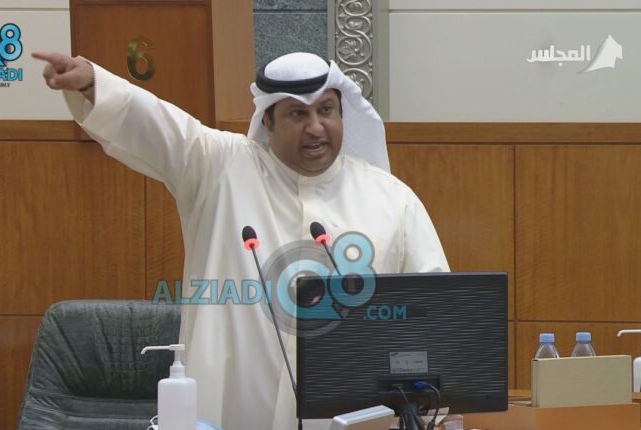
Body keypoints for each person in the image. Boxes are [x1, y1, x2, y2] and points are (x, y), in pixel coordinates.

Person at [33, 50, 450, 430]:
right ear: (268, 121)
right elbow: (157, 123)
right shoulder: (219, 168)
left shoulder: (392, 199)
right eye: (297, 114)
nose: (315, 127)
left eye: (326, 110)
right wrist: (93, 83)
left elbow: (437, 310)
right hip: (230, 413)